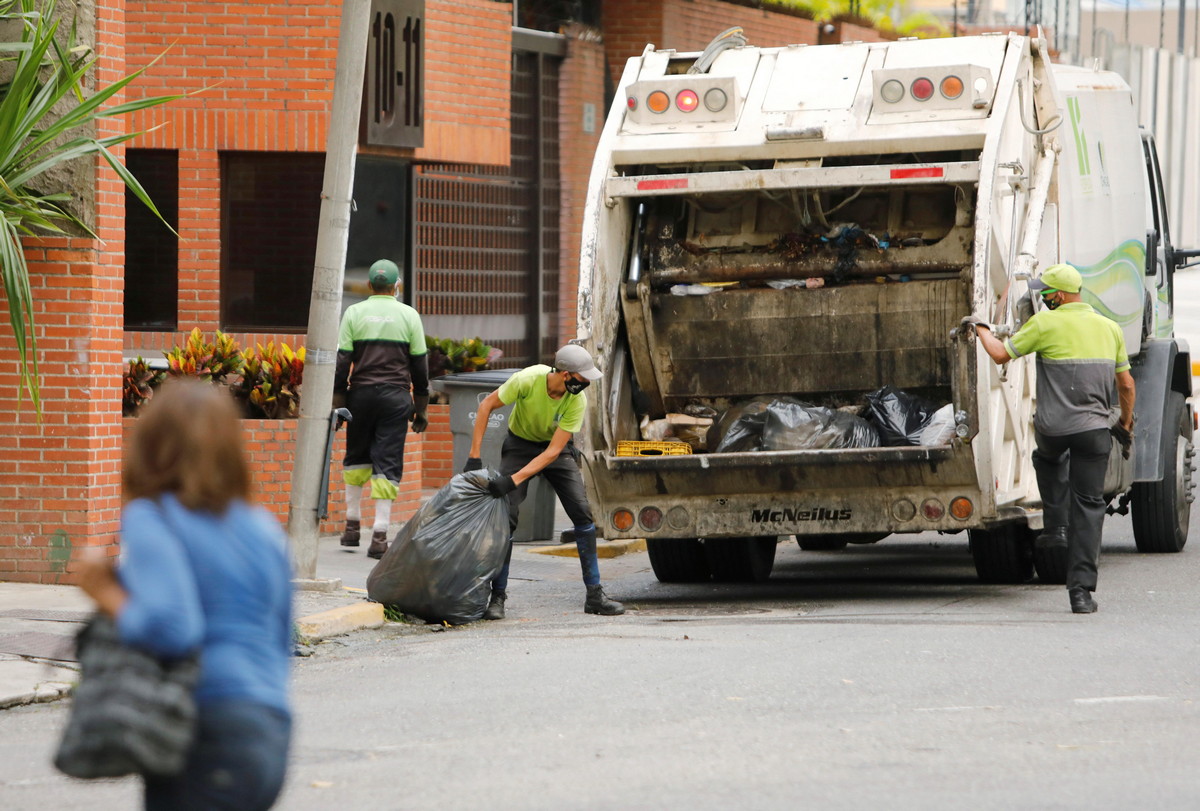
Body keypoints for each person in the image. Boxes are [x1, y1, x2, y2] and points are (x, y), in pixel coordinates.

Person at [77, 379, 293, 810]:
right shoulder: (262, 528)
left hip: (205, 731)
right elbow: (282, 640)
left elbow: (173, 627)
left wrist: (103, 591)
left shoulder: (152, 517)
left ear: (151, 444)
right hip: (268, 732)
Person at [963, 263, 1135, 614]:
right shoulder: (1110, 329)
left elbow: (999, 353)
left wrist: (980, 328)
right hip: (1094, 431)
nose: (1042, 296)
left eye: (1046, 291)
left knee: (1048, 459)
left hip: (1054, 431)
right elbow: (1127, 385)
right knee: (1089, 507)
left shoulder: (1044, 324)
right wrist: (1125, 424)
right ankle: (1081, 594)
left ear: (1058, 295)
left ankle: (1056, 525)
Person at [465, 343, 625, 619]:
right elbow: (487, 405)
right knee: (507, 515)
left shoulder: (577, 399)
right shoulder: (527, 379)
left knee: (582, 513)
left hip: (556, 449)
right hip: (519, 444)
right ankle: (497, 597)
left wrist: (512, 480)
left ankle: (595, 595)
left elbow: (552, 452)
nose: (586, 383)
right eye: (583, 377)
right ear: (565, 374)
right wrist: (474, 457)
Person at [334, 258, 430, 559]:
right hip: (395, 398)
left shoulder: (354, 312)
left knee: (357, 454)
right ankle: (379, 534)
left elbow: (342, 363)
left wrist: (339, 405)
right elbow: (420, 367)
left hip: (360, 395)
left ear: (369, 286)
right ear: (396, 286)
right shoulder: (409, 315)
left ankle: (351, 527)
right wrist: (421, 407)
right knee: (387, 460)